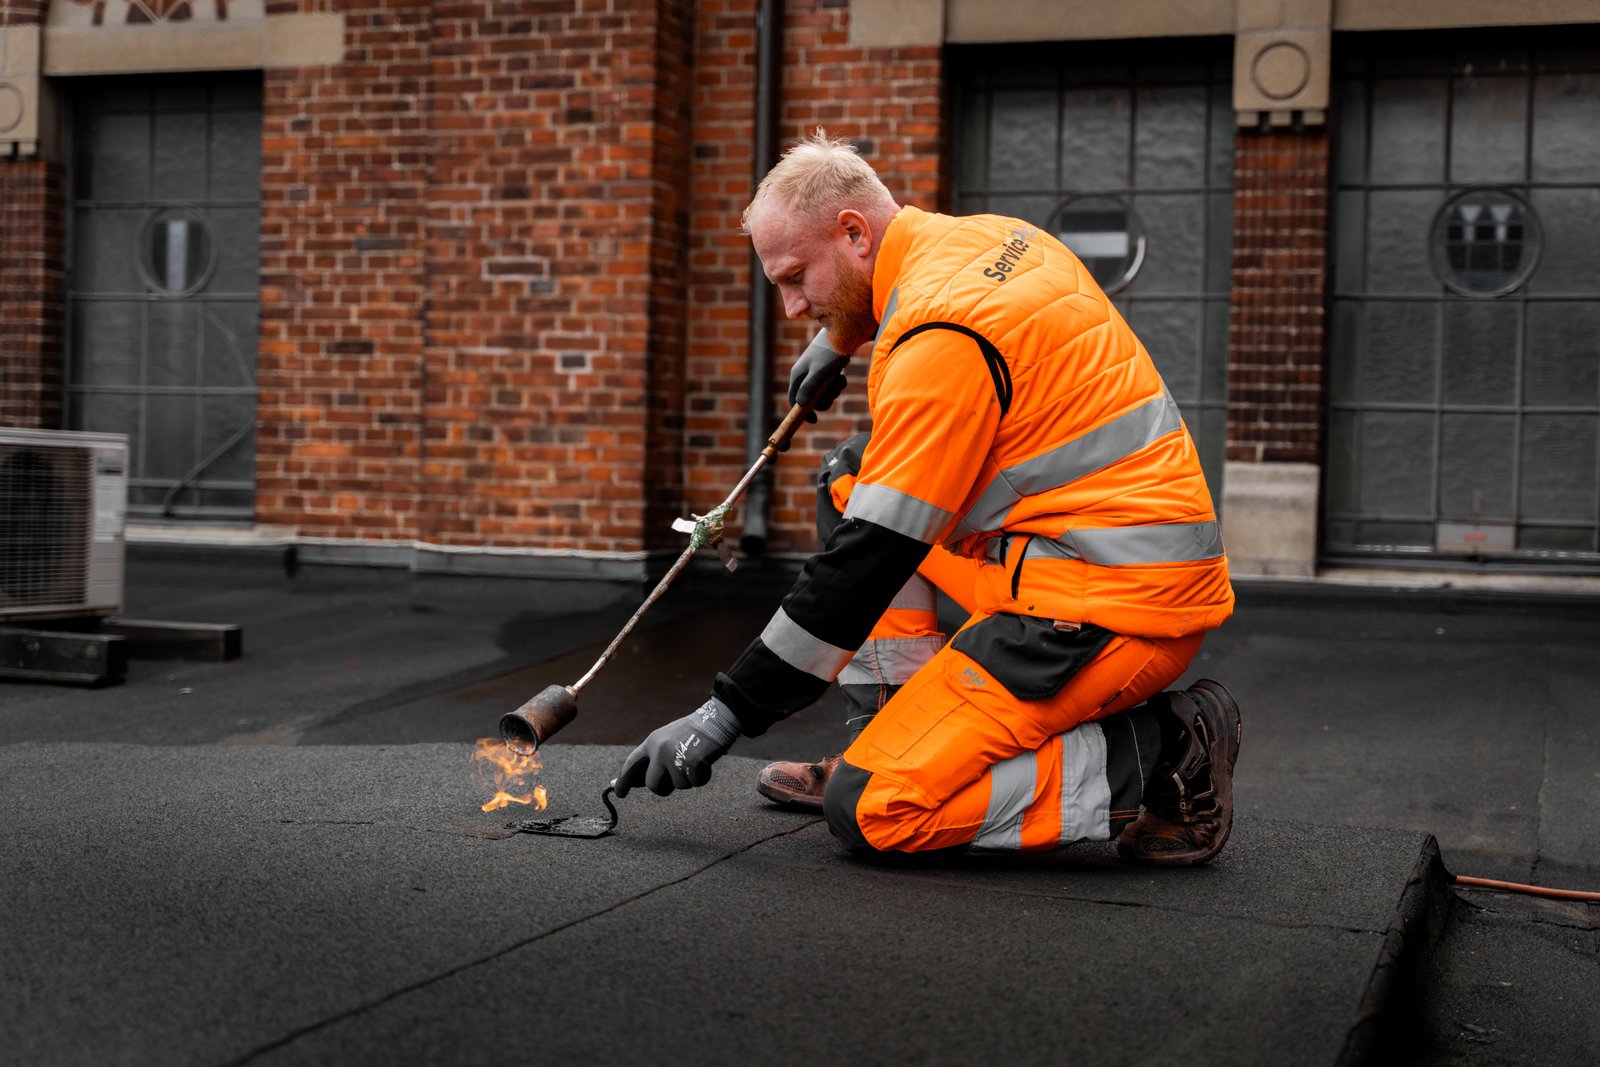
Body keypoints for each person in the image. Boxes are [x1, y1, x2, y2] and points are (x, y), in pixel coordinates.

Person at [614, 130, 1241, 863]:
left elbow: (867, 563)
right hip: (1078, 553)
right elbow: (902, 296)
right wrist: (841, 332)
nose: (789, 309)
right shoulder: (990, 238)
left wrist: (724, 713)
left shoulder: (942, 338)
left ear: (854, 233)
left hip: (1106, 605)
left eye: (794, 279)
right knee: (851, 475)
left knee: (878, 810)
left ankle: (1165, 750)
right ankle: (886, 730)